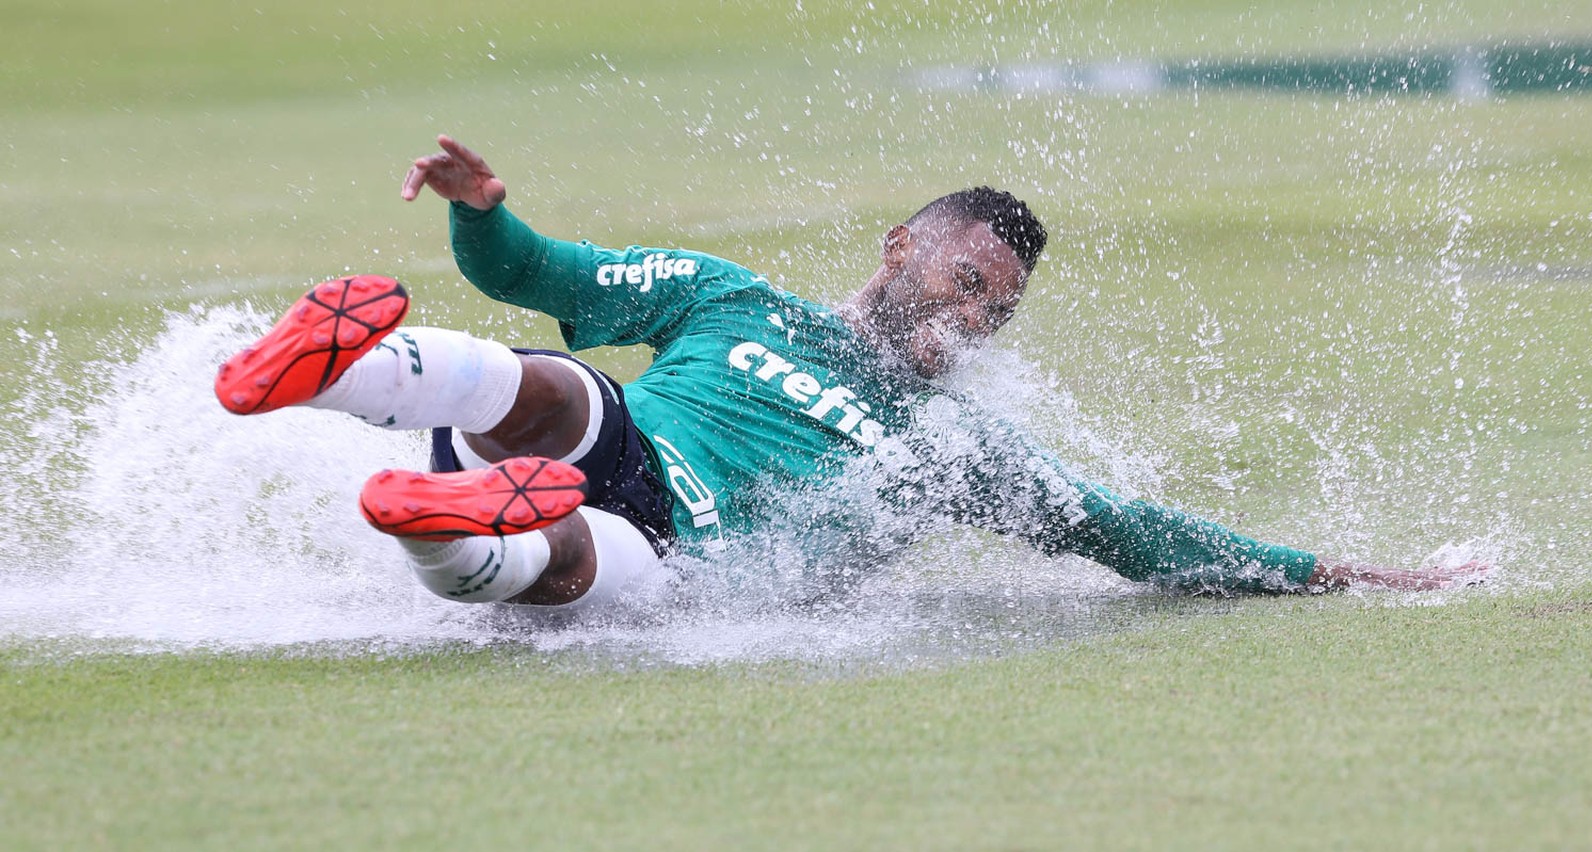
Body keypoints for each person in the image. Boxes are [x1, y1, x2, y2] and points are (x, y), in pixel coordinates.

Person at [215, 134, 1485, 611]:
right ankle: (326, 371)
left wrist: (1358, 571)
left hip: (686, 559)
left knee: (580, 561)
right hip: (627, 451)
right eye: (967, 278)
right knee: (552, 383)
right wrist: (482, 213)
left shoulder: (953, 449)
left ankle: (428, 501)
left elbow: (1133, 533)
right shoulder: (732, 297)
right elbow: (544, 271)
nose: (979, 314)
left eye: (1002, 306)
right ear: (901, 248)